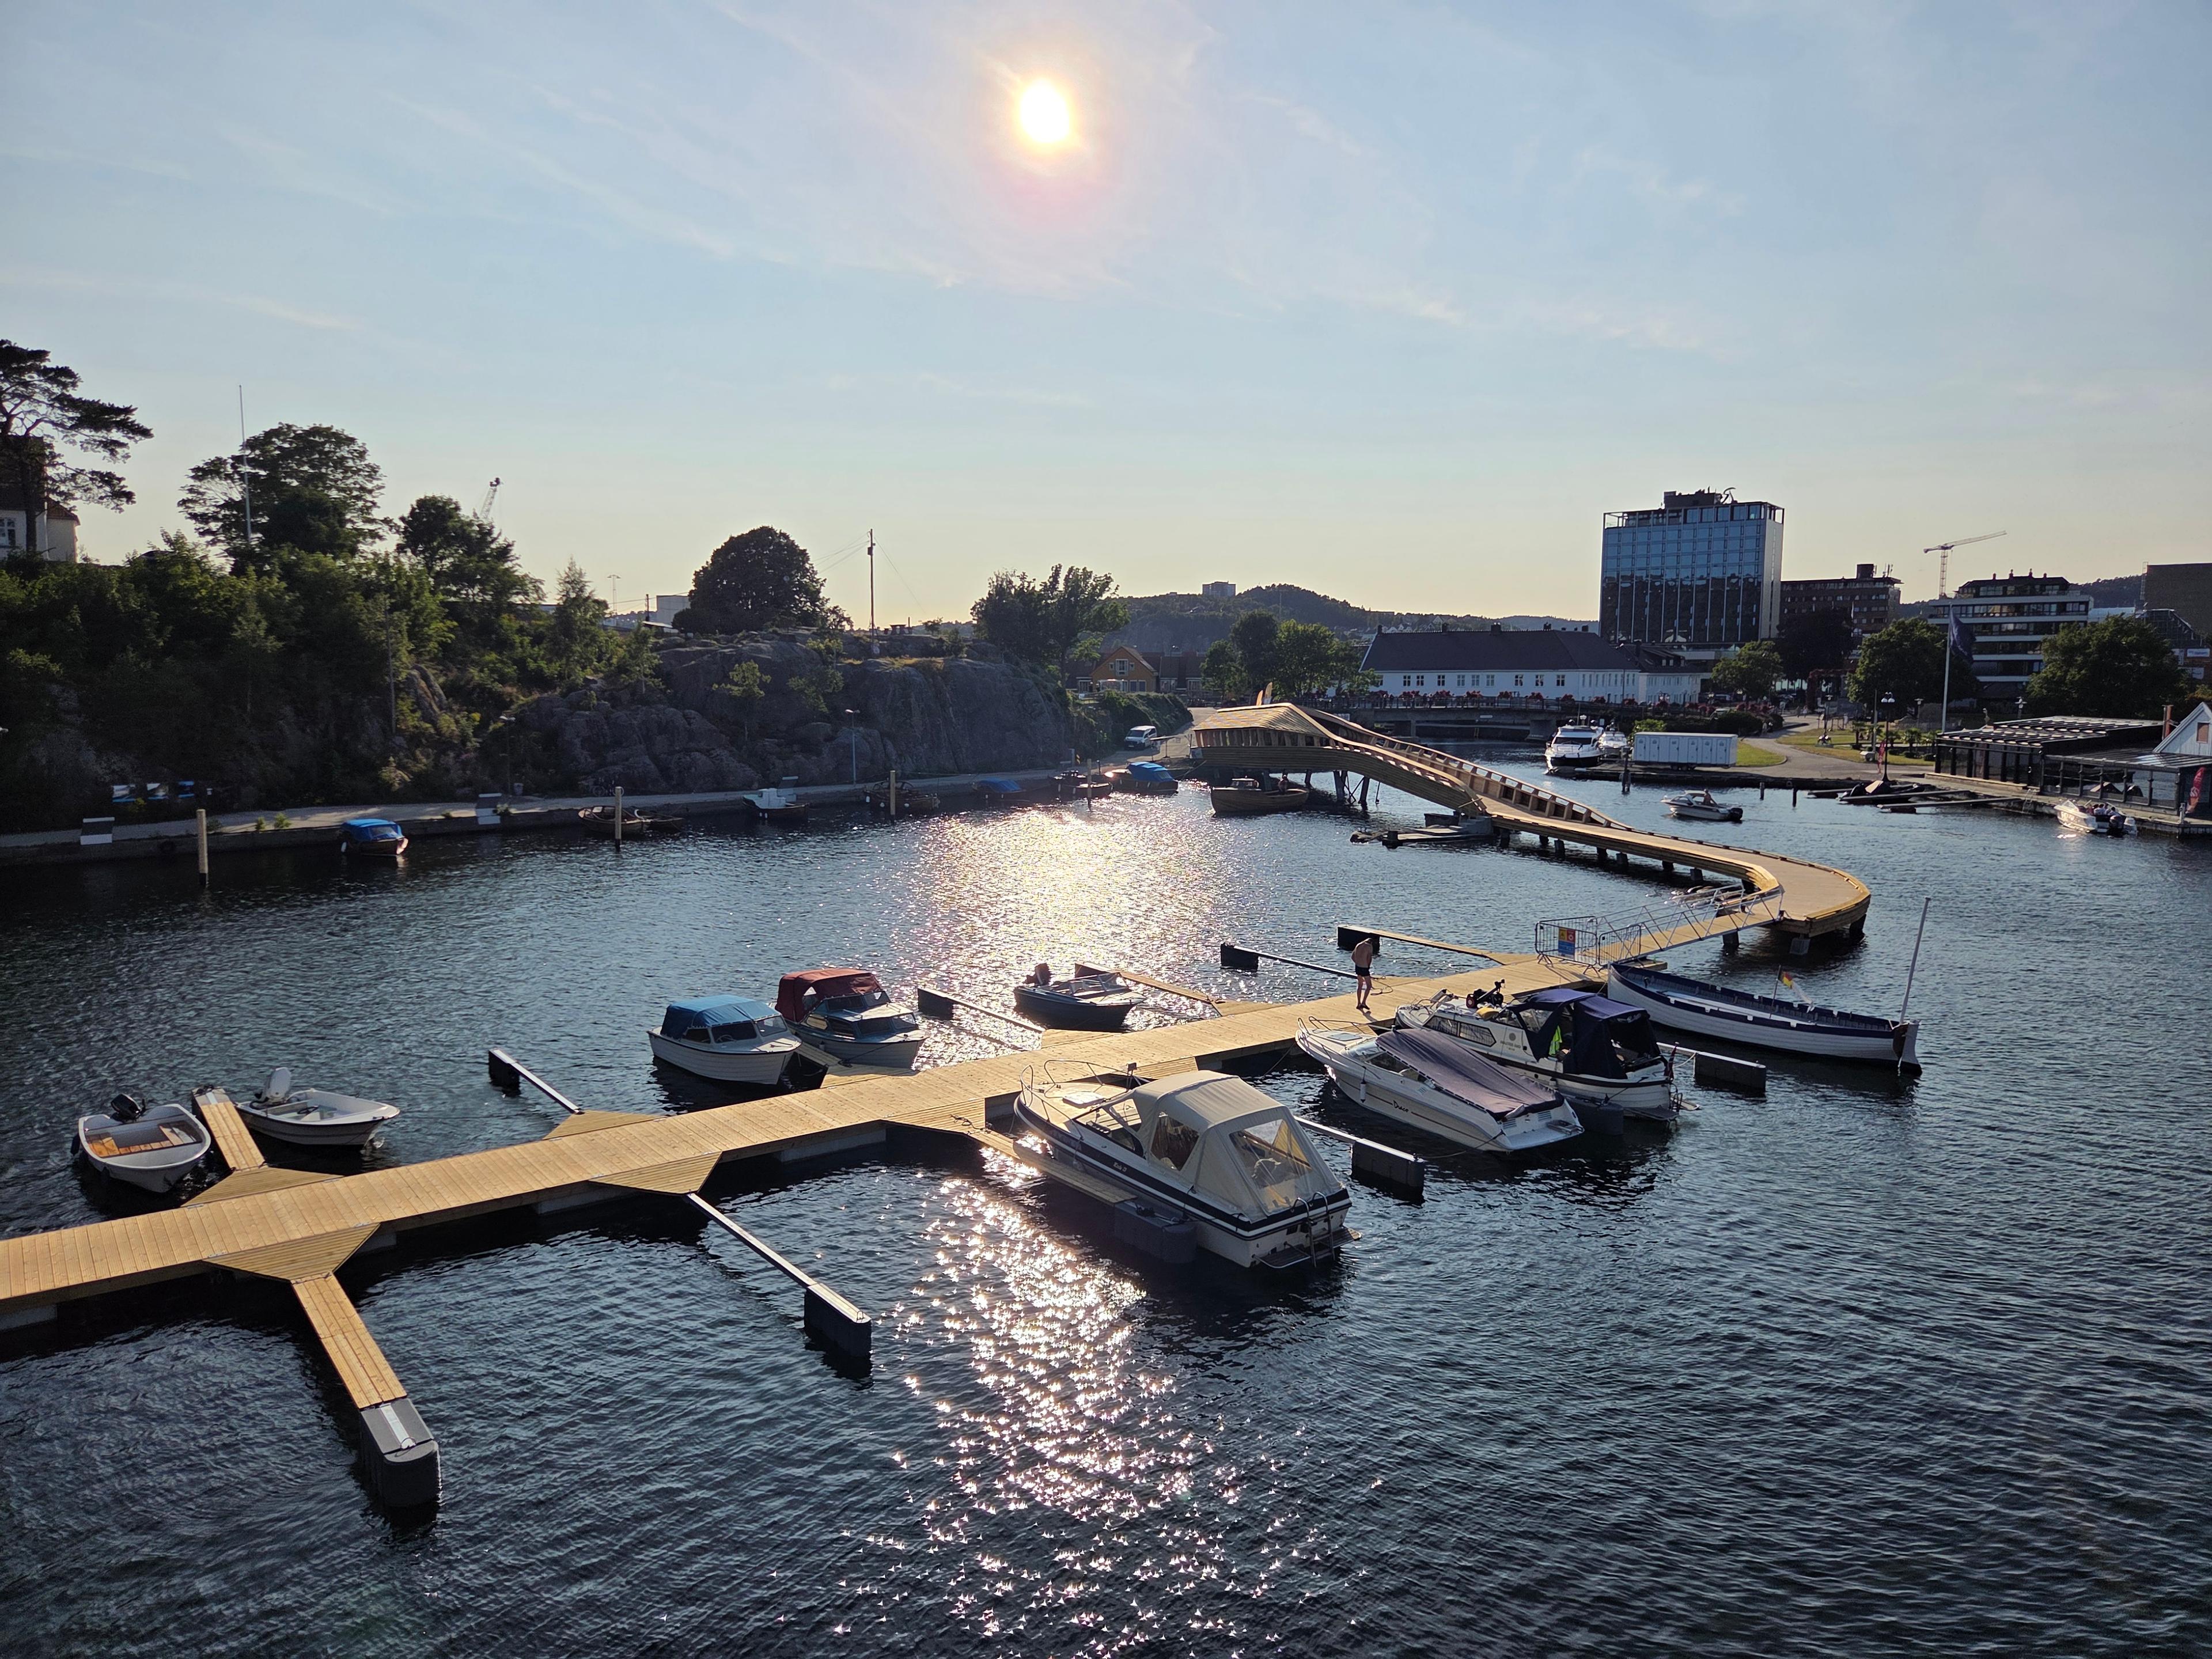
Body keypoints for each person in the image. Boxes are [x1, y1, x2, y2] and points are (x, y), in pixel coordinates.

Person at [1350, 935, 1375, 1014]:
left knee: (1360, 985)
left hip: (1358, 967)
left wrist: (1358, 963)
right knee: (1369, 986)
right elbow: (1369, 958)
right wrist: (1368, 967)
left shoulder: (1359, 945)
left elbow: (1352, 957)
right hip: (1364, 968)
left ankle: (1358, 1003)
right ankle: (1364, 1002)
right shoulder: (1369, 947)